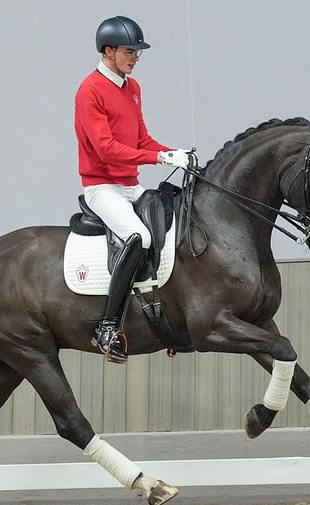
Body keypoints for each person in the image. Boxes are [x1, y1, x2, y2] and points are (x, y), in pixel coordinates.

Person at [75, 15, 191, 363]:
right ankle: (107, 327)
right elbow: (106, 148)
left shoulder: (132, 88)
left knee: (173, 226)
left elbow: (141, 139)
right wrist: (158, 158)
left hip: (131, 186)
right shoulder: (90, 90)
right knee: (139, 237)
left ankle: (167, 317)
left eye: (138, 52)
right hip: (103, 187)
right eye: (130, 51)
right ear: (108, 51)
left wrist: (173, 154)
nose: (136, 57)